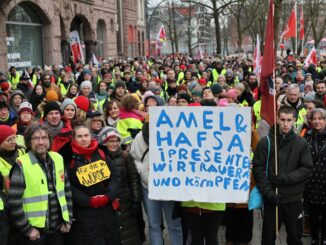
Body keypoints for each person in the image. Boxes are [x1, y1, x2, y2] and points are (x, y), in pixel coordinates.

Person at [253, 106, 313, 245]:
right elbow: (258, 169)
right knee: (268, 239)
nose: (286, 124)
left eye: (289, 120)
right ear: (277, 119)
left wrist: (286, 179)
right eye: (283, 120)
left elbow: (306, 168)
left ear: (294, 121)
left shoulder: (301, 143)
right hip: (272, 200)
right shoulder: (266, 142)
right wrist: (268, 193)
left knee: (294, 238)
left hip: (294, 200)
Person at [7, 123, 73, 244]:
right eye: (36, 138)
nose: (41, 142)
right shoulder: (21, 164)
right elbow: (13, 201)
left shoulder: (58, 158)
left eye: (44, 138)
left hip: (58, 229)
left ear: (49, 140)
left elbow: (66, 191)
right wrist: (27, 229)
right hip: (35, 233)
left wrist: (68, 219)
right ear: (29, 142)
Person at [61, 124, 121, 245]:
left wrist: (108, 196)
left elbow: (115, 176)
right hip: (84, 212)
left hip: (107, 208)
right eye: (79, 136)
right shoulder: (67, 158)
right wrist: (87, 201)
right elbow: (66, 184)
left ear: (91, 136)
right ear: (74, 138)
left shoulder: (101, 152)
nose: (84, 139)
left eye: (86, 135)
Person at [130, 119, 183, 245]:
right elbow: (134, 157)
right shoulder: (139, 137)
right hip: (148, 186)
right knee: (154, 224)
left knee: (174, 224)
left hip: (168, 187)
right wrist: (142, 171)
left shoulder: (172, 134)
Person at [98, 126, 143, 244]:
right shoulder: (99, 159)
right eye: (111, 141)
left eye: (117, 140)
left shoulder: (125, 156)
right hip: (109, 202)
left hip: (126, 200)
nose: (114, 144)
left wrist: (136, 200)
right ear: (104, 142)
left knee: (130, 234)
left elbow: (133, 179)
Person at [303, 108, 326, 245]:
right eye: (314, 119)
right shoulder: (307, 136)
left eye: (321, 118)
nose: (317, 121)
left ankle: (324, 238)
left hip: (325, 180)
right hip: (311, 181)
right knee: (313, 213)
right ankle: (314, 238)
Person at [0, 125, 25, 245]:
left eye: (14, 138)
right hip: (7, 206)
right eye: (9, 140)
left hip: (25, 199)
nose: (13, 142)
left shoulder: (22, 151)